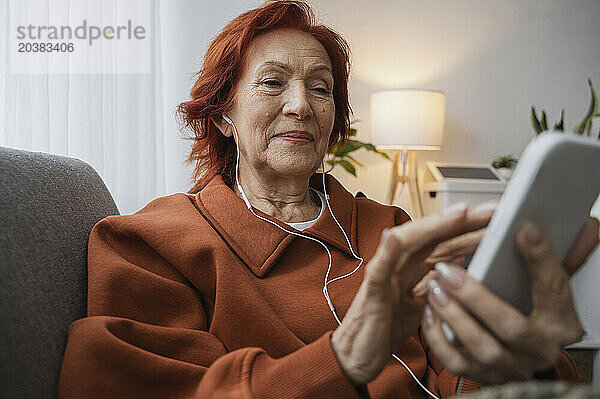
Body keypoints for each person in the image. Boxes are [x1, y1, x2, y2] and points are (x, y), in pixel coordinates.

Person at [57, 1, 599, 398]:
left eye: (321, 89)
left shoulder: (391, 227)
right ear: (222, 115)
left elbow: (455, 374)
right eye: (272, 83)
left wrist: (510, 362)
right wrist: (341, 357)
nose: (301, 105)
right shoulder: (150, 242)